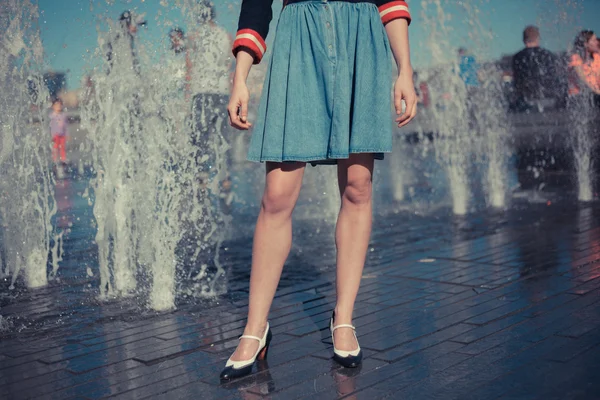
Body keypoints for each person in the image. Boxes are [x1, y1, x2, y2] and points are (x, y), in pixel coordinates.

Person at [220, 0, 416, 381]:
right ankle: (255, 328)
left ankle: (343, 317)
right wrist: (239, 77)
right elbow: (257, 4)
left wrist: (405, 68)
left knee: (358, 187)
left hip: (361, 38)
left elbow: (389, 2)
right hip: (299, 40)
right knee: (277, 195)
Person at [512, 26, 565, 112]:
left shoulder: (517, 57)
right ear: (538, 38)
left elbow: (517, 81)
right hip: (547, 98)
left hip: (525, 100)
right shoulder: (547, 55)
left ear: (523, 40)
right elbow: (553, 76)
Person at [568, 30, 600, 104]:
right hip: (579, 97)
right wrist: (597, 91)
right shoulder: (575, 58)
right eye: (593, 40)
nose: (597, 42)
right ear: (585, 44)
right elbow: (582, 79)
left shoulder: (596, 57)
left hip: (595, 96)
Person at [49, 98, 68, 163]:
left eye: (60, 105)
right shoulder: (52, 116)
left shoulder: (63, 115)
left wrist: (67, 134)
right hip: (55, 135)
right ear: (53, 106)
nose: (58, 107)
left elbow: (65, 126)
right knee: (55, 148)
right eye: (56, 105)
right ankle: (55, 160)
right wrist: (51, 135)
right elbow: (50, 126)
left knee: (62, 147)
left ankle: (63, 159)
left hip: (62, 134)